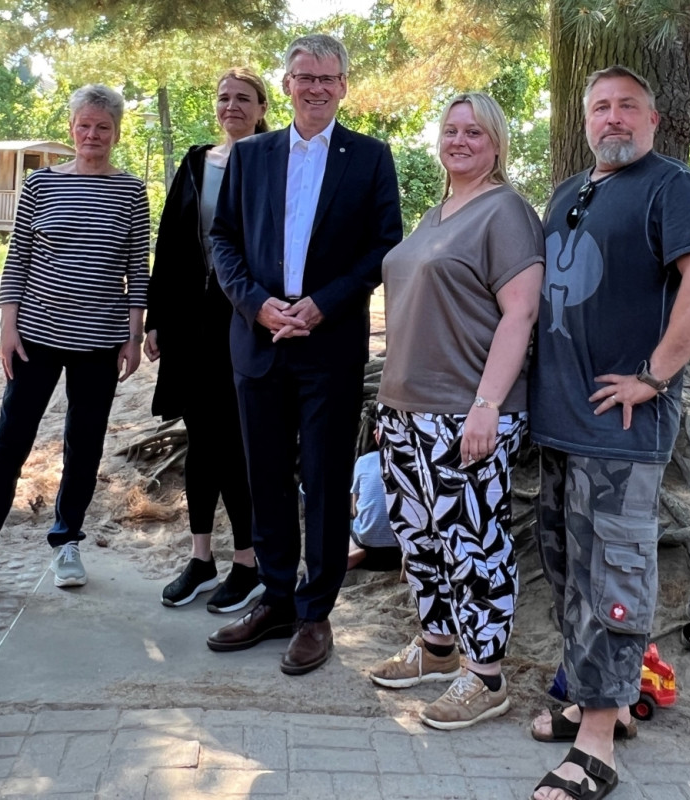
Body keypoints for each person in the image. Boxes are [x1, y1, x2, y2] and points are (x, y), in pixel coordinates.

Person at [529, 66, 690, 800]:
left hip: (620, 430)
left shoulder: (673, 187)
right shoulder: (573, 189)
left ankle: (598, 746)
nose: (612, 119)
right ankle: (592, 700)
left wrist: (654, 373)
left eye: (627, 107)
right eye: (599, 108)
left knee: (613, 580)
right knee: (570, 578)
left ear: (653, 119)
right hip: (559, 426)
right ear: (585, 120)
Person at [207, 34, 403, 675]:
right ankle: (278, 597)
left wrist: (323, 303)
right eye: (304, 77)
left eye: (328, 77)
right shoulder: (252, 155)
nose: (316, 87)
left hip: (330, 343)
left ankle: (316, 615)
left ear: (344, 86)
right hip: (258, 340)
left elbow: (383, 247)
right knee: (264, 477)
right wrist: (256, 304)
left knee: (323, 480)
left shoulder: (371, 158)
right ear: (285, 85)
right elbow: (223, 241)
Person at [0, 85, 149, 596]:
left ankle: (67, 541)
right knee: (9, 444)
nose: (92, 135)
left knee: (84, 445)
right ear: (72, 127)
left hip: (100, 339)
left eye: (103, 127)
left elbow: (138, 267)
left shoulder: (131, 190)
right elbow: (18, 258)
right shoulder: (41, 185)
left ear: (115, 133)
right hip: (36, 336)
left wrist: (134, 334)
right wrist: (7, 326)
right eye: (84, 125)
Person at [368, 92, 544, 730]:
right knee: (420, 537)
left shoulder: (506, 212)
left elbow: (521, 313)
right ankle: (439, 648)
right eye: (451, 130)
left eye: (475, 132)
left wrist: (488, 405)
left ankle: (486, 675)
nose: (460, 141)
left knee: (473, 544)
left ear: (496, 143)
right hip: (404, 408)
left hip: (465, 410)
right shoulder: (436, 214)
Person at [146, 68, 269, 612]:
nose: (232, 106)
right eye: (224, 98)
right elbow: (169, 243)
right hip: (189, 327)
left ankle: (249, 563)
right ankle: (201, 558)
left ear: (263, 106)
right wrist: (156, 318)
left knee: (235, 444)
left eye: (243, 98)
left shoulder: (275, 161)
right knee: (201, 439)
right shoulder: (197, 162)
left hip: (244, 323)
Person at [348, 404, 401, 572]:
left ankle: (358, 553)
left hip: (368, 541)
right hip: (402, 545)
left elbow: (355, 510)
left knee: (351, 524)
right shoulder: (412, 462)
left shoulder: (363, 461)